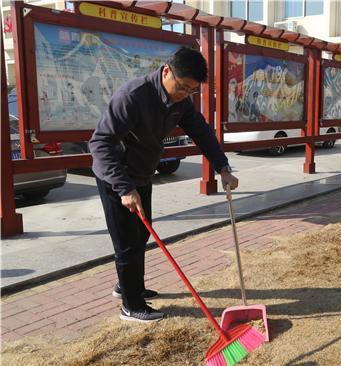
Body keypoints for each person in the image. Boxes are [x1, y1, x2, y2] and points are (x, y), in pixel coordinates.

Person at [89, 46, 238, 322]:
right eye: (182, 87)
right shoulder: (133, 96)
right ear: (166, 71)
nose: (184, 94)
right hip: (115, 175)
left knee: (143, 233)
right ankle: (130, 306)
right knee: (126, 242)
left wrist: (222, 167)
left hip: (142, 173)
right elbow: (100, 143)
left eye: (191, 91)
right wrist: (124, 188)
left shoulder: (181, 101)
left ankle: (129, 285)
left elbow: (201, 132)